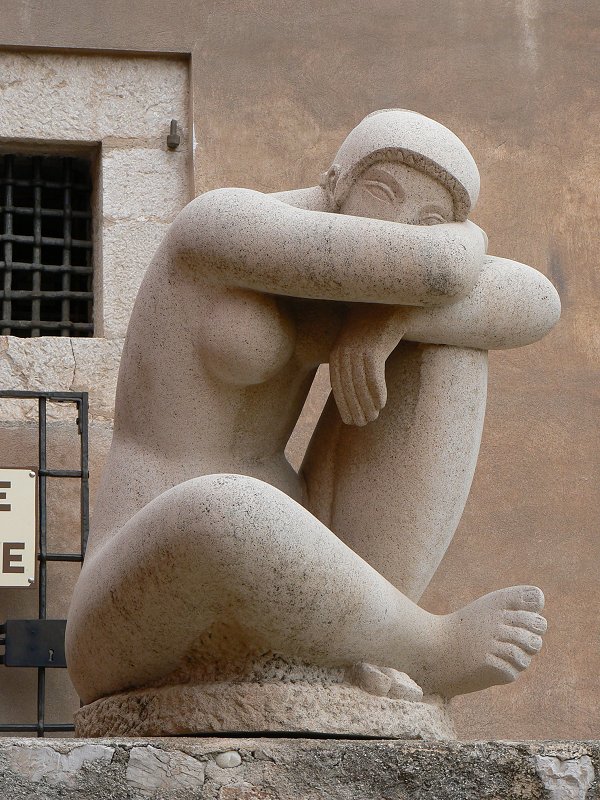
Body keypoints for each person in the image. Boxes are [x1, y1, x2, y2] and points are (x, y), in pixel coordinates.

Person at [66, 110, 559, 709]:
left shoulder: (347, 292)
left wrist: (390, 321)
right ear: (335, 181)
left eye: (430, 219)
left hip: (309, 567)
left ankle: (368, 645)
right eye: (384, 193)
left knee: (448, 355)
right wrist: (448, 251)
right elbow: (440, 268)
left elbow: (537, 302)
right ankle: (426, 645)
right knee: (224, 505)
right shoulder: (220, 226)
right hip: (151, 590)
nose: (403, 226)